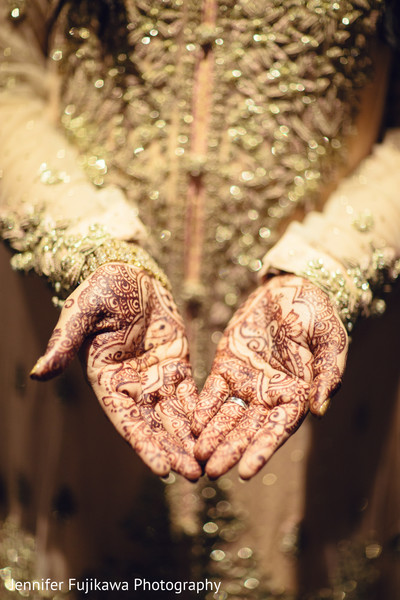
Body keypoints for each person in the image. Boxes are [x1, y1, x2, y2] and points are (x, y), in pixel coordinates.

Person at [0, 0, 399, 598]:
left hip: (319, 359)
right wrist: (89, 245)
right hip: (84, 350)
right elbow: (9, 79)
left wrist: (328, 265)